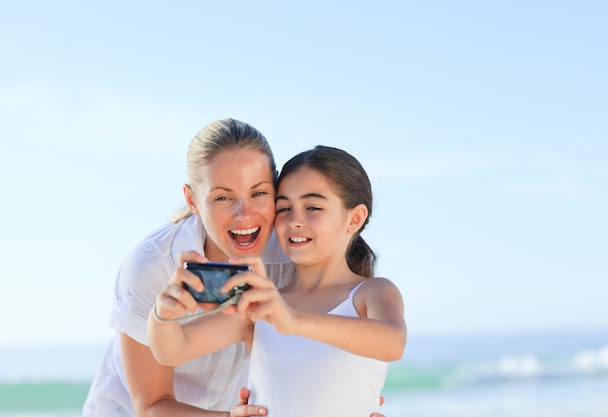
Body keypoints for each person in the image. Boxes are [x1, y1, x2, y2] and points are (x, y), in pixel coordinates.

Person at [83, 120, 387, 417]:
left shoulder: (296, 251)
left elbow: (358, 344)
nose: (244, 214)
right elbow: (153, 402)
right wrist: (161, 316)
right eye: (223, 197)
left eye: (258, 193)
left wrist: (353, 393)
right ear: (193, 200)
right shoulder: (153, 265)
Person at [148, 145, 407, 417]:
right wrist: (162, 315)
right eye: (284, 208)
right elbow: (172, 350)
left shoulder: (371, 292)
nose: (295, 220)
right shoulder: (261, 304)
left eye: (313, 207)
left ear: (354, 218)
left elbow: (392, 343)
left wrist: (292, 320)